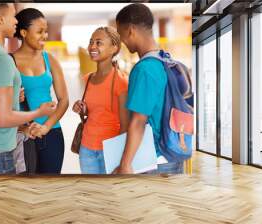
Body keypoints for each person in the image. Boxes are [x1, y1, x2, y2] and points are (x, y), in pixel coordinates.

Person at [0, 3, 56, 174]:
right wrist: (39, 112)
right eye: (13, 16)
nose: (16, 21)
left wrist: (12, 97)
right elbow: (3, 119)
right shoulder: (1, 59)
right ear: (0, 19)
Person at [113, 3, 184, 174]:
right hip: (173, 153)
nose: (121, 40)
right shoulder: (167, 61)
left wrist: (125, 163)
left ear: (130, 30)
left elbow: (138, 121)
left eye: (120, 33)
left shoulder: (144, 69)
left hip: (152, 159)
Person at [13, 8, 69, 174]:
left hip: (52, 133)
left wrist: (46, 127)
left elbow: (64, 99)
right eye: (39, 32)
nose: (45, 36)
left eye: (46, 31)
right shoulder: (10, 62)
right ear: (23, 32)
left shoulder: (49, 59)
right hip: (24, 134)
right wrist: (14, 98)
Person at [73, 27, 129, 174]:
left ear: (114, 48)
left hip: (111, 150)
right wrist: (82, 108)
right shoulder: (88, 78)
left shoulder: (121, 82)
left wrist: (122, 159)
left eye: (99, 43)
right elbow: (93, 111)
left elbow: (125, 125)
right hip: (86, 149)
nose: (92, 46)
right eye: (91, 42)